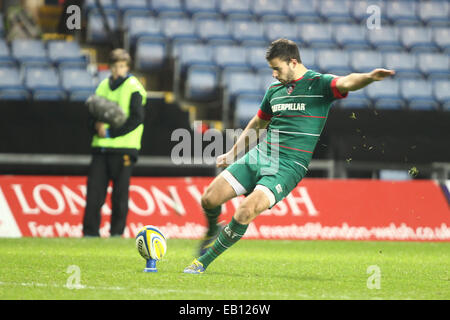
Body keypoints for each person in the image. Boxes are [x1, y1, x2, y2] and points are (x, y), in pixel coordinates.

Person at [184, 38, 395, 273]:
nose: (274, 74)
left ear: (293, 62)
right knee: (209, 199)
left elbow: (347, 81)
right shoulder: (274, 91)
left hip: (288, 166)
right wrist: (233, 152)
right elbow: (258, 123)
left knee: (245, 211)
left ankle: (202, 262)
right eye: (272, 69)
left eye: (277, 68)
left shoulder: (319, 84)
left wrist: (369, 77)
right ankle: (213, 229)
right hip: (261, 155)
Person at [82, 48, 147, 237]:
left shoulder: (134, 87)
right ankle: (89, 233)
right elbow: (91, 114)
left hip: (124, 148)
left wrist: (110, 132)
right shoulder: (103, 85)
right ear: (110, 67)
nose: (118, 70)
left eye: (122, 66)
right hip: (101, 148)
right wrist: (96, 126)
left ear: (127, 67)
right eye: (115, 66)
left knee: (119, 195)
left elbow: (136, 119)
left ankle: (116, 234)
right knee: (94, 194)